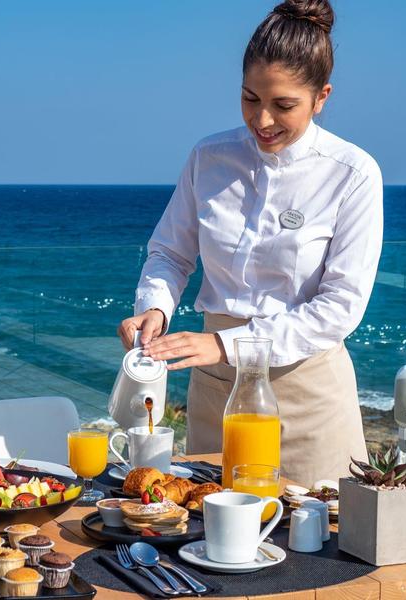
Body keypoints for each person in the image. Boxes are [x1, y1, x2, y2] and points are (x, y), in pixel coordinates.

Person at [118, 0, 382, 485]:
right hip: (215, 388)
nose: (262, 120)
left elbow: (341, 306)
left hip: (307, 394)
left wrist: (224, 343)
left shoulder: (353, 173)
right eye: (249, 99)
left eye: (283, 105)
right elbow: (170, 253)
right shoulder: (209, 157)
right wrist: (155, 309)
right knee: (203, 535)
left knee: (321, 548)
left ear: (321, 97)